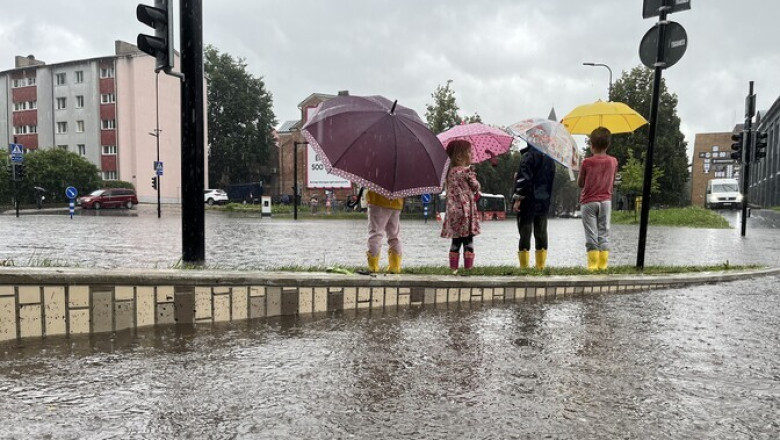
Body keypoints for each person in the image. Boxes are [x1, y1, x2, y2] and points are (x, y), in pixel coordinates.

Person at [577, 127, 618, 271]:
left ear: (591, 145)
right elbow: (612, 182)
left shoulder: (586, 162)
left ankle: (593, 266)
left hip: (589, 202)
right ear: (607, 145)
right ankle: (603, 265)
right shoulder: (613, 161)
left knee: (591, 234)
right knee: (604, 234)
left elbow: (580, 184)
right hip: (606, 201)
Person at [513, 143, 556, 269]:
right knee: (541, 232)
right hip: (543, 201)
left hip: (528, 201)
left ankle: (524, 266)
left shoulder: (528, 156)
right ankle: (540, 266)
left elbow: (524, 180)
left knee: (525, 233)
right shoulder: (550, 159)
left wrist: (518, 198)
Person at [440, 140, 481, 273]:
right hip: (465, 211)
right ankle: (468, 268)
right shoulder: (467, 171)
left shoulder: (449, 172)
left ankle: (454, 269)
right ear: (459, 156)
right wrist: (474, 178)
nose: (472, 154)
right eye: (469, 152)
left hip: (453, 212)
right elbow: (475, 186)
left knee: (455, 241)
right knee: (468, 240)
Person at [365, 189, 404, 274]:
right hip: (396, 201)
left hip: (378, 199)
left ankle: (373, 267)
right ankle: (395, 267)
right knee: (394, 235)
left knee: (375, 234)